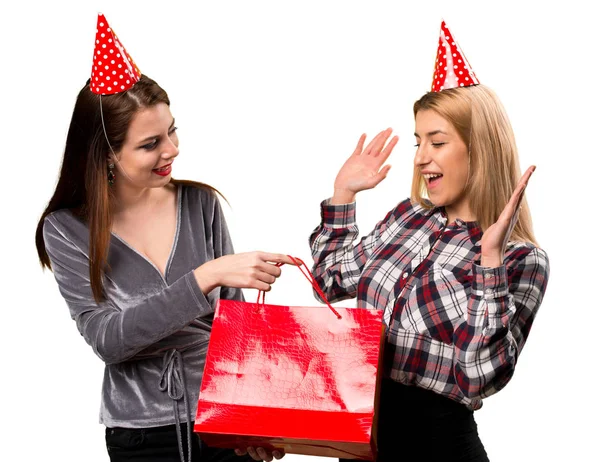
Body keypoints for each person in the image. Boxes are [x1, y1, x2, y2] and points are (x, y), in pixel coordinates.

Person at [35, 14, 288, 462]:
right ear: (107, 153)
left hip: (222, 419)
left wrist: (253, 417)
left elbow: (235, 328)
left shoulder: (199, 204)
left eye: (172, 131)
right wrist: (203, 277)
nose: (171, 149)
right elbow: (108, 341)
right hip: (140, 436)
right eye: (150, 143)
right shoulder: (66, 229)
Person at [309, 22, 550, 462]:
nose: (420, 157)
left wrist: (490, 262)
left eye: (437, 141)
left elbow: (479, 376)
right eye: (419, 140)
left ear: (480, 148)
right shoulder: (408, 217)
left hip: (439, 447)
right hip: (361, 439)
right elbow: (328, 281)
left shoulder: (522, 259)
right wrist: (342, 195)